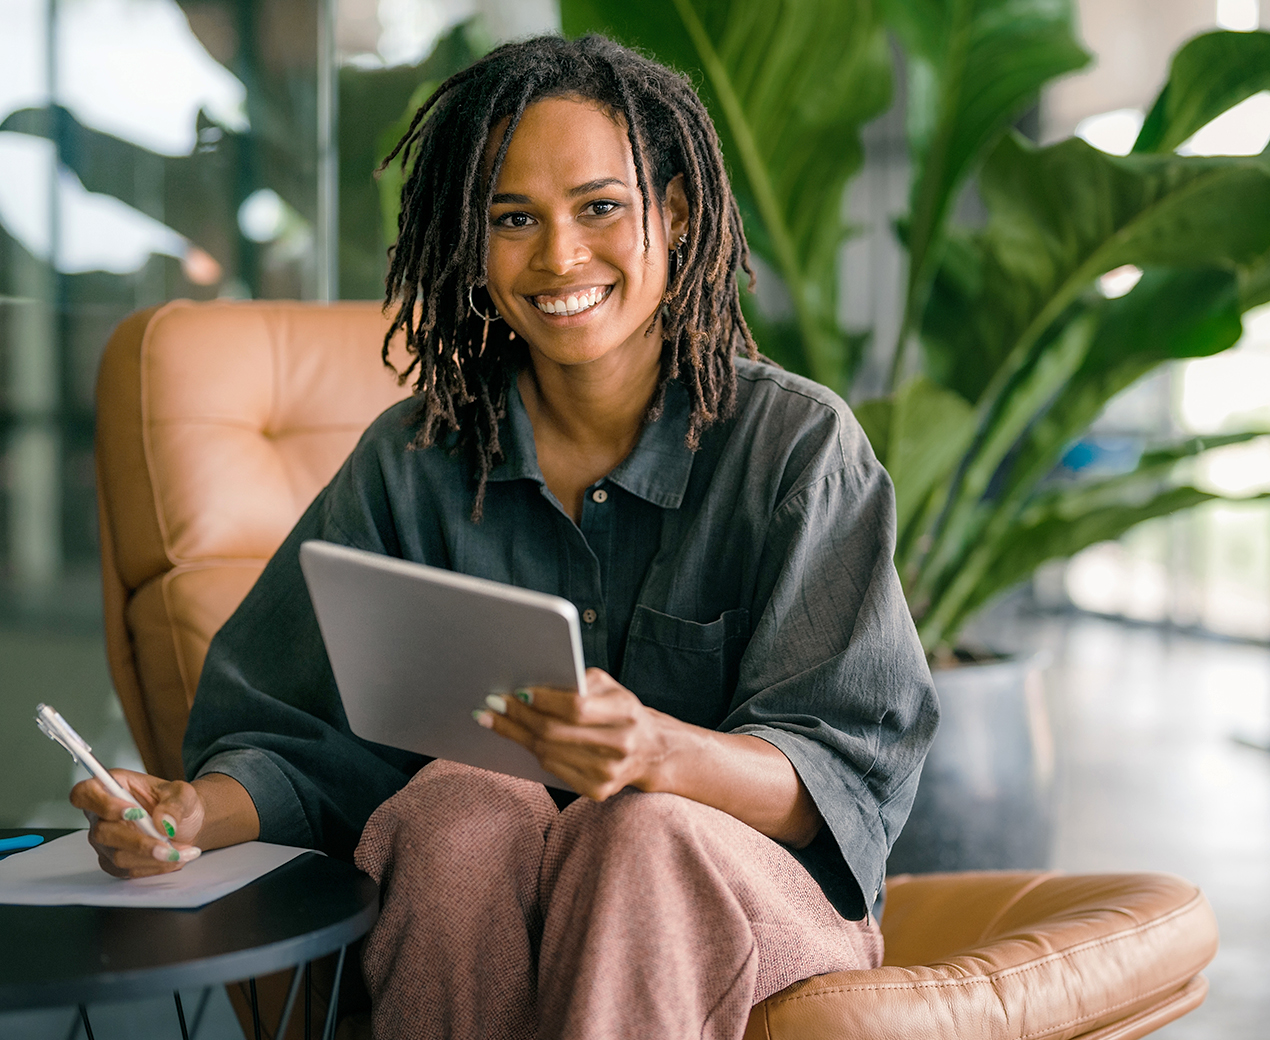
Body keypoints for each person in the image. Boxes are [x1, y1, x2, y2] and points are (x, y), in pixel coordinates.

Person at [72, 33, 938, 1040]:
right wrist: (182, 815)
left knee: (638, 833)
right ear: (469, 247)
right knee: (456, 809)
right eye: (512, 218)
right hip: (482, 908)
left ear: (680, 212)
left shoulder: (796, 448)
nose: (559, 256)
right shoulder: (412, 461)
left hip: (753, 906)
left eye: (600, 207)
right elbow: (296, 739)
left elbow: (840, 780)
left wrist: (659, 750)